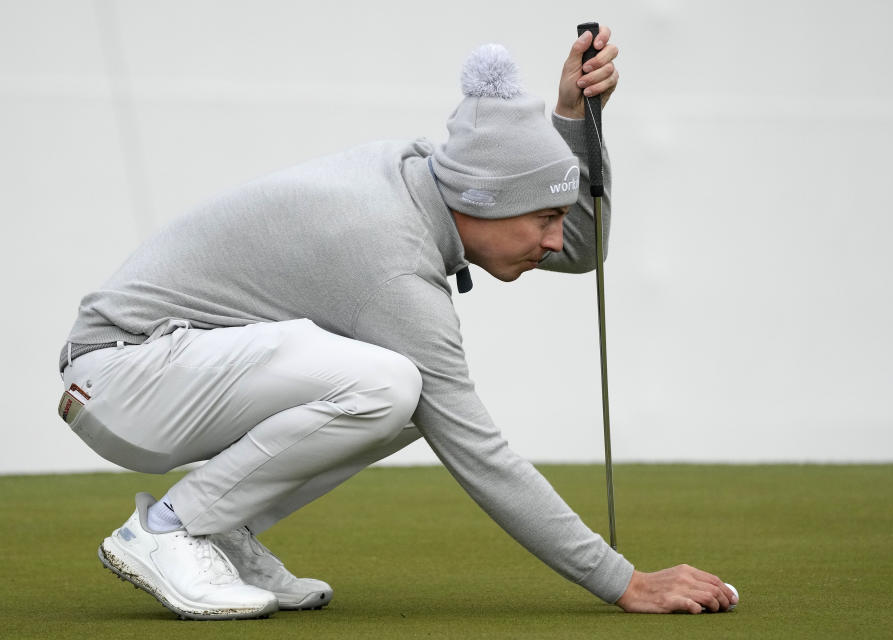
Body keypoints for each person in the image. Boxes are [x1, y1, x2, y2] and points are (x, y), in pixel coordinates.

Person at [57, 25, 737, 619]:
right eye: (546, 220)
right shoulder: (392, 260)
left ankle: (218, 528)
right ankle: (170, 529)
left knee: (397, 392)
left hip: (164, 371)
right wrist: (625, 582)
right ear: (487, 202)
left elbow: (584, 249)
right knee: (391, 385)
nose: (557, 241)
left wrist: (571, 121)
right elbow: (479, 453)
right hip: (122, 373)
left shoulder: (428, 179)